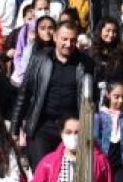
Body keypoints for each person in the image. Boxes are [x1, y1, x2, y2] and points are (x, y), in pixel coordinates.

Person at [11, 22, 94, 172]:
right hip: (42, 126)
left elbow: (91, 98)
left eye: (73, 40)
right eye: (64, 39)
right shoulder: (39, 59)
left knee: (67, 176)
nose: (68, 44)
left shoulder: (85, 63)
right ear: (55, 37)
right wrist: (14, 128)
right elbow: (24, 93)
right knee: (43, 172)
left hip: (72, 128)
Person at [89, 17, 123, 89]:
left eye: (114, 31)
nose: (111, 34)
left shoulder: (121, 53)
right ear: (100, 31)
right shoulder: (91, 52)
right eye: (108, 31)